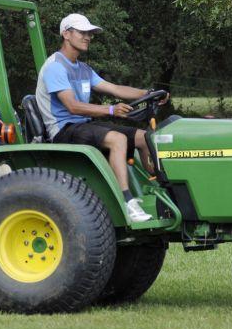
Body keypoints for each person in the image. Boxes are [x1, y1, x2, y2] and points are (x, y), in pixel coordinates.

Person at [35, 13, 166, 223]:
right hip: (63, 129)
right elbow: (73, 106)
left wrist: (148, 93)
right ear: (66, 34)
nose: (87, 37)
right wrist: (110, 110)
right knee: (118, 139)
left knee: (145, 137)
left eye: (90, 34)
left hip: (84, 126)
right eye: (82, 32)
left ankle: (159, 187)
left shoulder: (83, 69)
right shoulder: (55, 67)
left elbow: (114, 88)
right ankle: (126, 202)